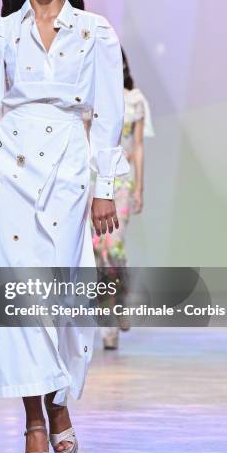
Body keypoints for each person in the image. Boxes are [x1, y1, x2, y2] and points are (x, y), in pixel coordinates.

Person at [0, 0, 129, 453]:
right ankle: (35, 420)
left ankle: (59, 400)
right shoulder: (1, 34)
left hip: (72, 167)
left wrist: (105, 187)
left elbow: (108, 112)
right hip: (12, 167)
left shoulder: (95, 31)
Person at [89, 48, 155, 349]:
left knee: (112, 245)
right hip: (91, 180)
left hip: (122, 182)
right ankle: (108, 320)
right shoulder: (89, 96)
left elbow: (138, 145)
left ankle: (118, 301)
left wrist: (140, 186)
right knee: (96, 249)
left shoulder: (135, 99)